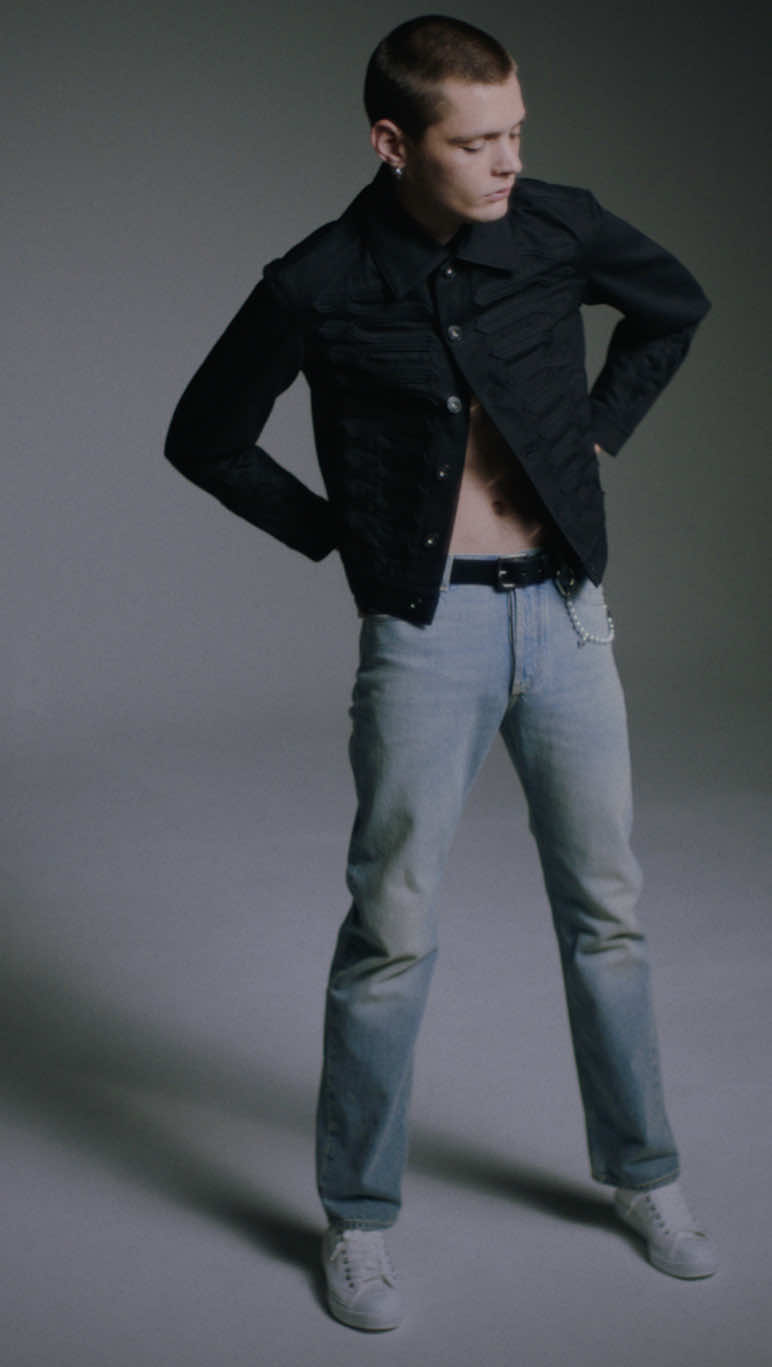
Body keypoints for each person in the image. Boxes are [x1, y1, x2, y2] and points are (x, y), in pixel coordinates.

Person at [165, 14, 718, 1333]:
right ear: (393, 142)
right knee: (392, 933)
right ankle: (357, 1221)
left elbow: (673, 308)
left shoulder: (556, 225)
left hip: (567, 616)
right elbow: (206, 434)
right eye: (477, 143)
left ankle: (645, 1177)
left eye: (516, 132)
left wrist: (593, 439)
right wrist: (338, 535)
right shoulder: (319, 280)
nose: (508, 161)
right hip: (426, 635)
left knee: (609, 915)